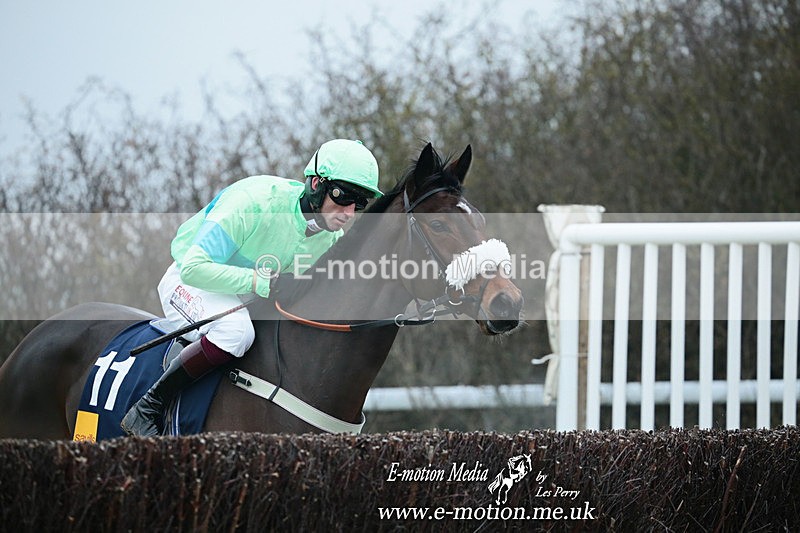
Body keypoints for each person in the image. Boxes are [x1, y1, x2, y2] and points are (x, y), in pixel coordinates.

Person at [121, 139, 382, 437]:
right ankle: (148, 406)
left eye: (359, 203)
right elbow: (194, 267)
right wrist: (262, 283)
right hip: (190, 280)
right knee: (236, 333)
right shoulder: (255, 203)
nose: (349, 212)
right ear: (316, 184)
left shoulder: (329, 237)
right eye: (343, 196)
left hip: (246, 296)